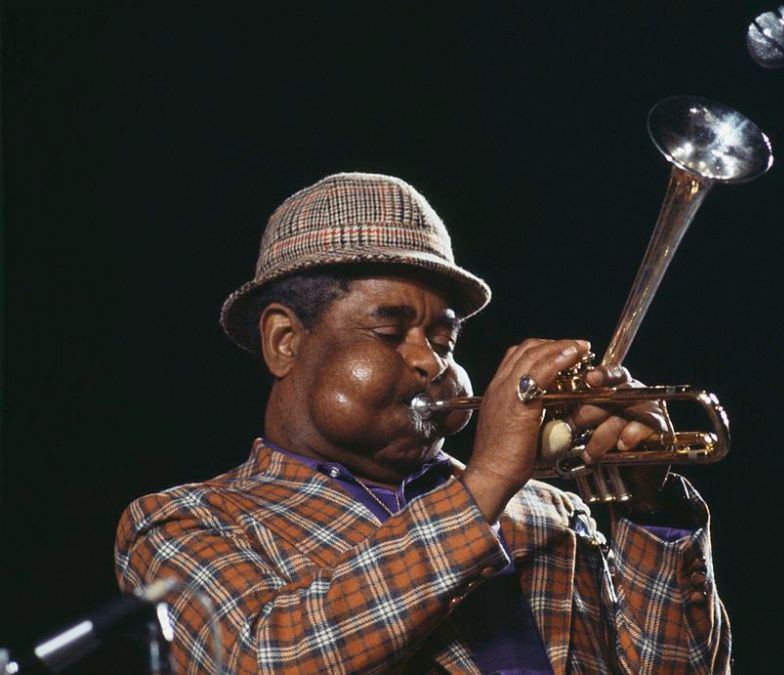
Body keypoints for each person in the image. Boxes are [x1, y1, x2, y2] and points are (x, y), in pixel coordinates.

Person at [115, 172, 731, 674]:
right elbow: (266, 658)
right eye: (390, 332)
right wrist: (486, 479)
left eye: (445, 338)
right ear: (284, 341)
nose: (427, 360)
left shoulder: (550, 512)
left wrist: (651, 515)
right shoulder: (187, 521)